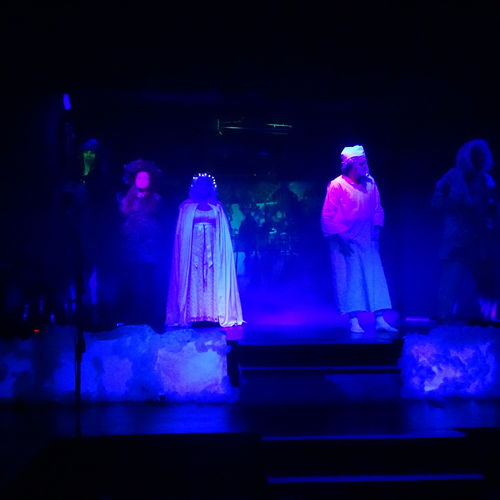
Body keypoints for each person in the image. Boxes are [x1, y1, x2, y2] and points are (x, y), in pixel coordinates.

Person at [321, 145, 397, 337]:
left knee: (374, 277)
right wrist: (341, 238)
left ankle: (379, 319)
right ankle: (353, 319)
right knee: (349, 280)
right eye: (361, 164)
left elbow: (377, 209)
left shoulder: (371, 183)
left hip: (367, 239)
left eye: (365, 162)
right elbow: (327, 216)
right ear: (350, 165)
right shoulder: (337, 185)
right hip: (344, 242)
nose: (365, 166)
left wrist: (377, 232)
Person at [432, 139, 497, 323]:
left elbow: (492, 210)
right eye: (475, 156)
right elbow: (436, 202)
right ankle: (444, 322)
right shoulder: (451, 178)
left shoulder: (487, 181)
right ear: (467, 157)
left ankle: (490, 322)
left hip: (479, 242)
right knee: (449, 283)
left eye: (482, 156)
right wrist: (461, 205)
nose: (478, 160)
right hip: (455, 240)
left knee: (486, 285)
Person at [166, 173, 243, 327]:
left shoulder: (217, 207)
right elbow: (180, 232)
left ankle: (213, 313)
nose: (203, 188)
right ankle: (193, 314)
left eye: (206, 185)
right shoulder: (186, 207)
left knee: (211, 278)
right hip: (192, 252)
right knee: (194, 279)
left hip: (213, 252)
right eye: (200, 185)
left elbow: (223, 232)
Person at [117, 159, 168, 331]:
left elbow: (162, 223)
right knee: (132, 281)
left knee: (149, 282)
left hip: (150, 249)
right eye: (140, 178)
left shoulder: (156, 200)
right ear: (134, 180)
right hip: (130, 247)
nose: (143, 181)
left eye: (146, 178)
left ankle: (150, 316)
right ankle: (133, 315)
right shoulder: (125, 200)